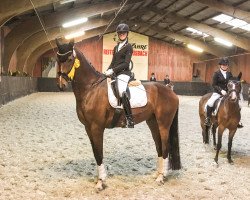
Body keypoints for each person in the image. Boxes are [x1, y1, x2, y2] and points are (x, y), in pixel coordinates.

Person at [104, 23, 134, 128]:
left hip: (124, 73)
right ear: (118, 34)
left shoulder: (129, 47)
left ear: (127, 34)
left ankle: (129, 118)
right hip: (115, 73)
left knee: (121, 90)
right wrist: (107, 71)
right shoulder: (116, 47)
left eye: (123, 33)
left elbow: (126, 63)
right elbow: (113, 62)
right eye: (120, 33)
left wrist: (113, 70)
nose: (122, 34)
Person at [204, 57, 243, 128]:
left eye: (226, 65)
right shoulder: (216, 73)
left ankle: (238, 120)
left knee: (238, 104)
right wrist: (221, 90)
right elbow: (214, 84)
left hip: (228, 93)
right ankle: (208, 119)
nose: (224, 66)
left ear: (227, 66)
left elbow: (231, 83)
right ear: (220, 65)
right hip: (218, 93)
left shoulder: (229, 74)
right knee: (210, 103)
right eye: (223, 65)